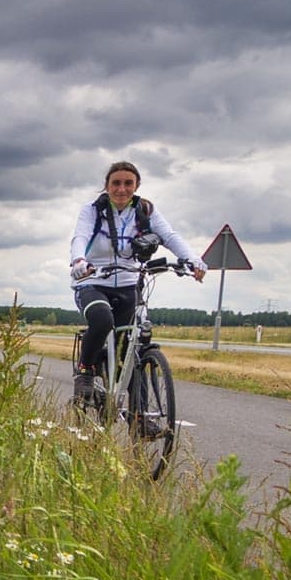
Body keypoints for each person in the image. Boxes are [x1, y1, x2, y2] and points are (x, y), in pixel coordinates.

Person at [67, 161, 206, 406]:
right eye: (116, 183)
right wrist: (79, 261)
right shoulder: (92, 210)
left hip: (130, 281)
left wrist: (192, 259)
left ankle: (139, 417)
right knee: (102, 320)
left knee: (132, 347)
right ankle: (86, 370)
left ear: (137, 185)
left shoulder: (146, 210)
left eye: (128, 183)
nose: (122, 189)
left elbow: (169, 236)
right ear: (107, 186)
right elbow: (81, 236)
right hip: (92, 280)